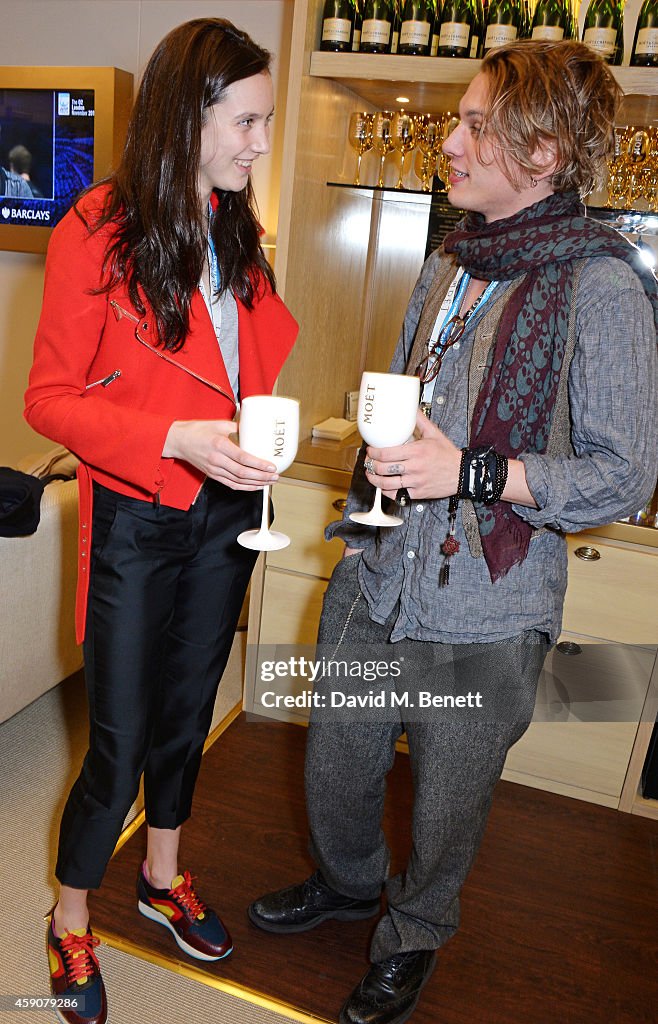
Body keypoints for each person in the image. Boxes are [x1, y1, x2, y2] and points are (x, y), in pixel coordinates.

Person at [248, 40, 658, 1024]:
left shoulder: (601, 289)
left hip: (487, 608)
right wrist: (364, 513)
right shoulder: (446, 260)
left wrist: (470, 471)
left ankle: (411, 935)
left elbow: (626, 469)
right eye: (459, 119)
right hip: (378, 571)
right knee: (335, 765)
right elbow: (406, 397)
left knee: (443, 812)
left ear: (545, 151)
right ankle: (348, 885)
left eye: (476, 125)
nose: (450, 140)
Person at [24, 18, 297, 1024]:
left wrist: (254, 430)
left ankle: (162, 874)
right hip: (138, 514)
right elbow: (48, 400)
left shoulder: (238, 232)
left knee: (188, 717)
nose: (260, 140)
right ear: (191, 114)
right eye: (248, 119)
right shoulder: (95, 226)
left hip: (226, 512)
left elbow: (244, 365)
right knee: (121, 734)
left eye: (264, 120)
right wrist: (176, 437)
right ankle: (68, 915)